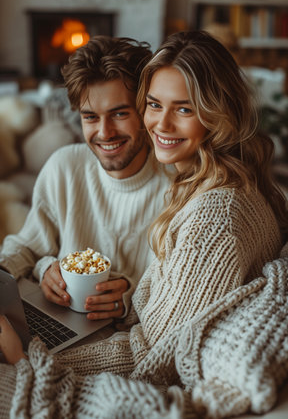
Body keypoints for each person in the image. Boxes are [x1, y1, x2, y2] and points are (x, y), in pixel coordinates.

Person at [1, 30, 288, 418]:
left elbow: (152, 356)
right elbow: (28, 246)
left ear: (218, 112)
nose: (162, 125)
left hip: (101, 349)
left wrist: (26, 361)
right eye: (155, 104)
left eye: (184, 109)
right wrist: (42, 267)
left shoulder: (210, 213)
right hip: (78, 327)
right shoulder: (196, 184)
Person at [0, 36, 172, 320]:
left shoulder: (177, 187)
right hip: (61, 319)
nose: (105, 133)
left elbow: (176, 291)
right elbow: (26, 247)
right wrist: (45, 269)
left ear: (146, 110)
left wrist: (130, 298)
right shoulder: (65, 167)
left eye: (118, 114)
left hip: (126, 332)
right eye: (90, 117)